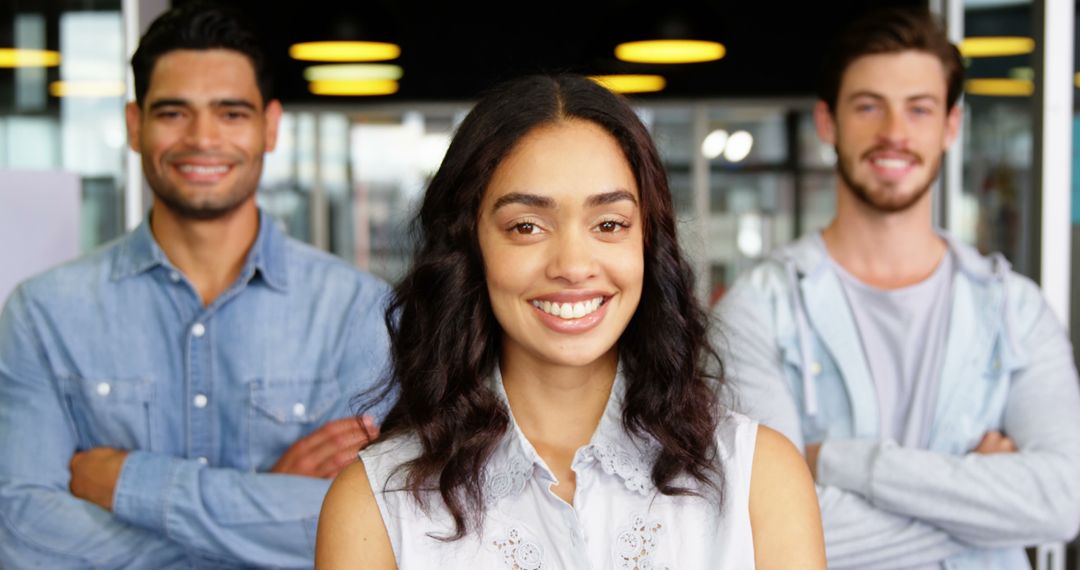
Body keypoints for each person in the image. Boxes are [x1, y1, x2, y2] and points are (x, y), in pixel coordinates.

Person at [315, 74, 826, 569]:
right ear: (470, 249)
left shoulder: (759, 477)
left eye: (609, 224)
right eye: (527, 226)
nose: (574, 266)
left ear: (648, 244)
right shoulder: (375, 503)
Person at [0, 3, 391, 568]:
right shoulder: (43, 314)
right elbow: (22, 529)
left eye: (231, 114)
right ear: (135, 125)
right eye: (173, 113)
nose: (203, 139)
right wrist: (259, 510)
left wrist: (128, 484)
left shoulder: (360, 312)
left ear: (271, 127)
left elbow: (384, 524)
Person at [716, 7, 1080, 569]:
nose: (894, 133)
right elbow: (763, 528)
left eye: (919, 109)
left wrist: (840, 463)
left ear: (950, 126)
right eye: (868, 106)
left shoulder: (1016, 309)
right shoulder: (757, 310)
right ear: (827, 122)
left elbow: (1060, 500)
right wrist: (985, 505)